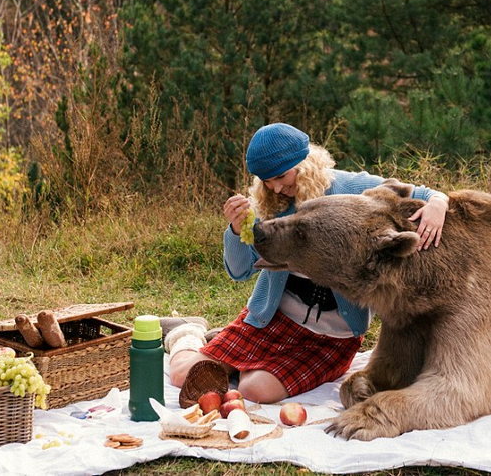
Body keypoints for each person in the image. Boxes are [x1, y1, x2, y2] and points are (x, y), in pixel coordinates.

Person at [164, 123, 449, 404]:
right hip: (271, 320)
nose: (275, 187)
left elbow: (424, 193)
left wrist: (439, 203)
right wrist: (236, 231)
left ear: (305, 162)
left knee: (255, 390)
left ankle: (242, 363)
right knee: (181, 375)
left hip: (330, 337)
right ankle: (187, 331)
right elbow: (240, 272)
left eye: (281, 176)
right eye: (266, 180)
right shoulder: (267, 204)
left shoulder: (350, 188)